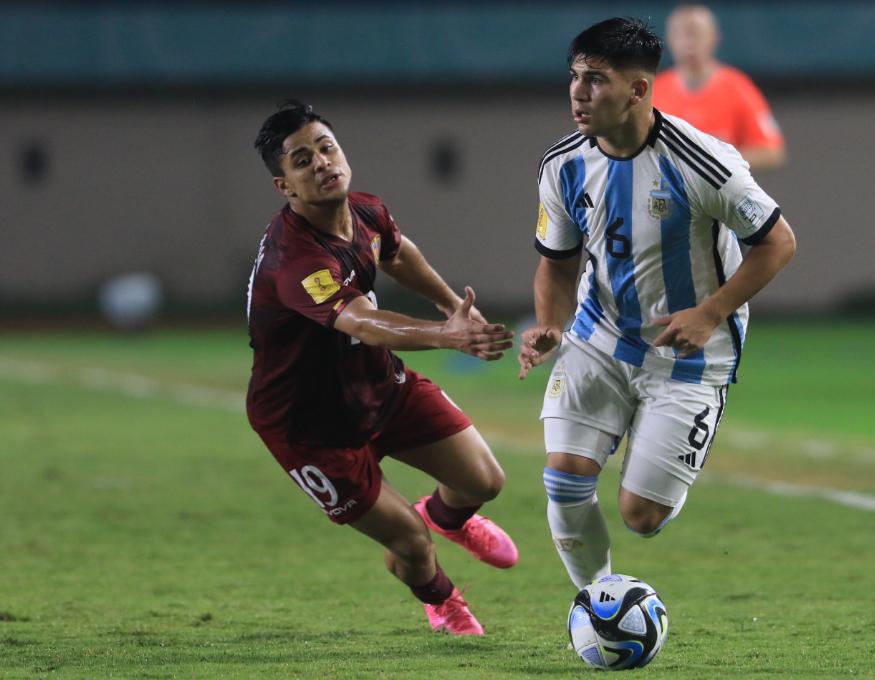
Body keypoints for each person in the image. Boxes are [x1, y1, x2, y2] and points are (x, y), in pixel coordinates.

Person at [519, 18, 796, 589]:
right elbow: (556, 262)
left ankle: (663, 456)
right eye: (574, 76)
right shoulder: (562, 165)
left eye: (595, 79)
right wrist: (550, 324)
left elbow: (777, 242)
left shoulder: (704, 161)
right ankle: (597, 604)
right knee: (564, 478)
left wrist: (711, 311)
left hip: (690, 355)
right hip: (599, 337)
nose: (578, 91)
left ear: (639, 90)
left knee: (640, 517)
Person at [246, 100, 519, 635]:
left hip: (378, 386)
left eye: (327, 147)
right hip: (309, 428)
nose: (322, 163)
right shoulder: (296, 260)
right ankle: (444, 601)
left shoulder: (365, 209)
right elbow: (365, 324)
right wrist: (448, 336)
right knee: (411, 547)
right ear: (286, 187)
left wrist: (448, 305)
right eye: (302, 160)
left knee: (484, 480)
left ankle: (446, 518)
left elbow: (396, 252)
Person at [653, 4, 786, 170]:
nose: (688, 43)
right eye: (680, 34)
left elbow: (771, 151)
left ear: (713, 37)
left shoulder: (737, 87)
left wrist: (717, 162)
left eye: (695, 34)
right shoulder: (654, 93)